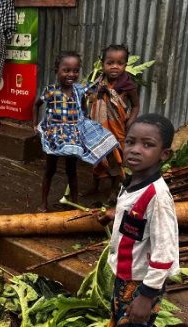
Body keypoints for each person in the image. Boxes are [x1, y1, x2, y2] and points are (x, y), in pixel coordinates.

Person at [86, 113, 179, 327]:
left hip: (138, 284)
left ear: (164, 154)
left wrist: (147, 296)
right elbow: (138, 224)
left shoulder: (157, 197)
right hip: (133, 279)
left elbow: (165, 252)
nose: (135, 149)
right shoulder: (134, 182)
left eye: (147, 145)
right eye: (131, 142)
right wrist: (115, 217)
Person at [32, 51, 118, 212]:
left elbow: (85, 107)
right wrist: (35, 124)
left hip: (73, 137)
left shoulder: (79, 90)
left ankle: (74, 201)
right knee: (50, 169)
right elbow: (36, 104)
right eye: (66, 70)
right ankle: (43, 203)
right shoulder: (51, 90)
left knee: (71, 170)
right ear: (56, 70)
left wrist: (84, 123)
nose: (71, 74)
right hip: (54, 136)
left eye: (75, 71)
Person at [86, 44, 141, 196]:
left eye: (120, 63)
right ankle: (95, 187)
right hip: (99, 129)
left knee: (117, 159)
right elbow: (90, 99)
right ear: (102, 64)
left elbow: (136, 106)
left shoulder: (128, 85)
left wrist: (130, 123)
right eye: (110, 63)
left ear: (125, 65)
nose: (114, 67)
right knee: (97, 158)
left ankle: (113, 191)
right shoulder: (98, 82)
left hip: (118, 129)